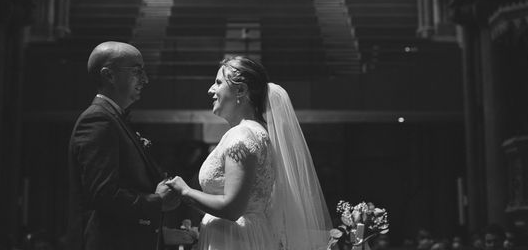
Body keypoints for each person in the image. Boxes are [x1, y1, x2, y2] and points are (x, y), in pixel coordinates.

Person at [167, 56, 332, 249]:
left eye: (218, 83)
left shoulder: (242, 136)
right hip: (243, 235)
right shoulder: (255, 133)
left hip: (233, 239)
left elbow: (232, 208)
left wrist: (185, 191)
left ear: (241, 90)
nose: (211, 89)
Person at [67, 41, 180, 250]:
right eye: (137, 71)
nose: (145, 79)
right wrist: (157, 201)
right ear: (108, 74)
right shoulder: (97, 120)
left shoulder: (113, 119)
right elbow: (103, 195)